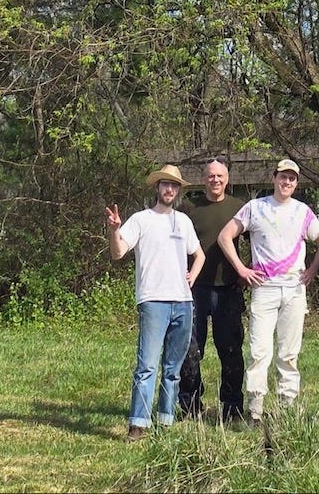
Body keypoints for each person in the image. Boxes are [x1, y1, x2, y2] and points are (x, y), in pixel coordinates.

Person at [217, 158, 319, 424]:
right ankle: (255, 411)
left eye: (292, 178)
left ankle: (286, 410)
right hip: (263, 289)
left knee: (289, 353)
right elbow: (224, 236)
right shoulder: (255, 207)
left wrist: (312, 270)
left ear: (296, 183)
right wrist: (242, 269)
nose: (287, 182)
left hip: (294, 290)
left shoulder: (303, 212)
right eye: (283, 177)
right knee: (259, 351)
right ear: (274, 178)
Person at [105, 162, 205, 441]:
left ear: (178, 190)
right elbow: (118, 252)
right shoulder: (140, 219)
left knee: (173, 370)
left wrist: (191, 278)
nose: (169, 189)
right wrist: (114, 230)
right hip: (153, 302)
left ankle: (166, 421)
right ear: (157, 187)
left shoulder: (183, 222)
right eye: (165, 184)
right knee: (147, 366)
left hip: (183, 303)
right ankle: (138, 424)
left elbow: (199, 255)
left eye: (174, 185)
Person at [178, 157, 247, 423]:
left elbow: (261, 240)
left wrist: (248, 270)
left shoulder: (239, 208)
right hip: (194, 289)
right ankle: (190, 407)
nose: (215, 180)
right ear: (204, 179)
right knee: (191, 350)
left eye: (220, 176)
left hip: (229, 289)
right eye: (210, 176)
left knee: (230, 351)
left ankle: (232, 407)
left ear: (227, 179)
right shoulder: (189, 208)